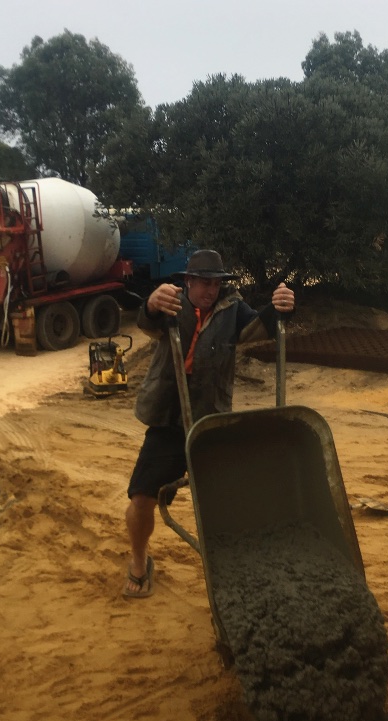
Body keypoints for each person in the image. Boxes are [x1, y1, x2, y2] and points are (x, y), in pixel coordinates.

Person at [124, 249, 295, 598]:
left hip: (210, 422)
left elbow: (259, 329)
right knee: (141, 499)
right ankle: (139, 562)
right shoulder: (172, 303)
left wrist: (282, 308)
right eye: (204, 283)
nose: (211, 290)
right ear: (188, 281)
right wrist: (152, 303)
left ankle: (238, 568)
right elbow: (147, 321)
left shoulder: (231, 309)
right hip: (169, 422)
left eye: (216, 284)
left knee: (227, 501)